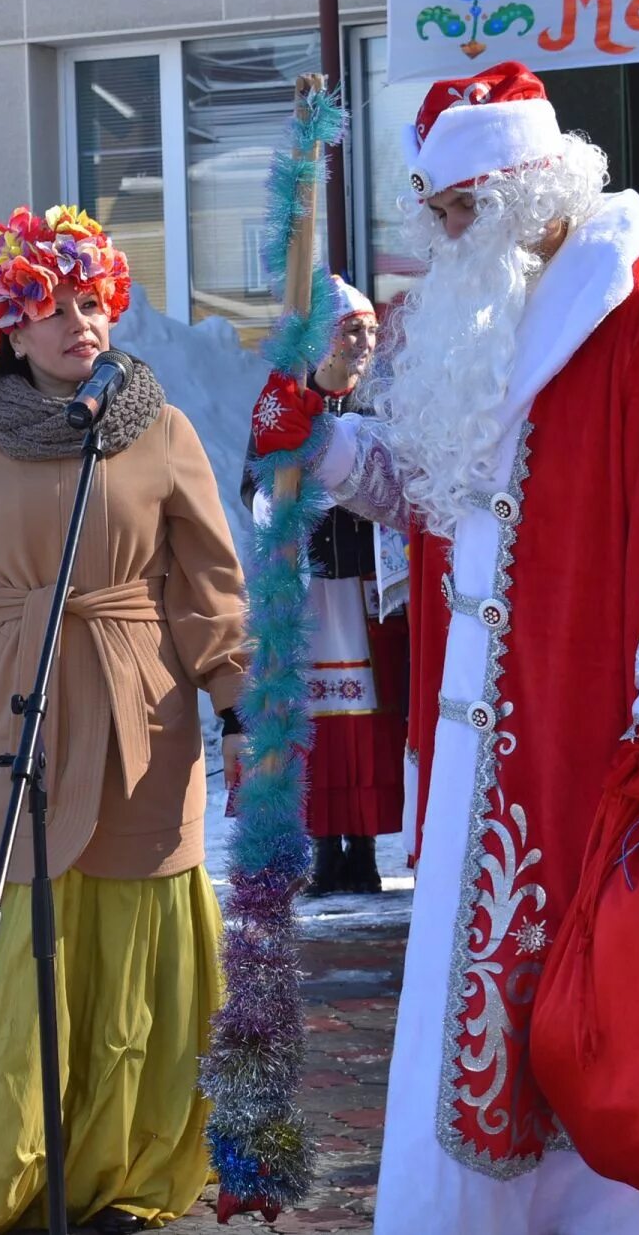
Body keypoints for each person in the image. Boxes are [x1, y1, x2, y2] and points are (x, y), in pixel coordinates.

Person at [252, 61, 639, 1234]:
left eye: (457, 214)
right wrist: (326, 441)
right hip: (474, 745)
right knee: (477, 1013)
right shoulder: (480, 324)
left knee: (607, 1013)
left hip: (592, 735)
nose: (443, 240)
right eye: (436, 216)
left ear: (523, 191)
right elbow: (432, 497)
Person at [0, 204, 248, 1234]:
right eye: (52, 307)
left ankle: (129, 1173)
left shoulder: (162, 427)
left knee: (140, 936)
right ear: (9, 323)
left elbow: (208, 584)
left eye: (92, 302)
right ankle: (10, 1164)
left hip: (146, 699)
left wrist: (233, 701)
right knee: (29, 930)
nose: (79, 323)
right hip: (22, 705)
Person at [240, 275, 408, 895]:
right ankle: (317, 848)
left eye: (369, 329)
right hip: (310, 588)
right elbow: (255, 480)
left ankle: (360, 849)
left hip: (367, 590)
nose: (363, 342)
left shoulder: (382, 408)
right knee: (312, 720)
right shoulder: (284, 404)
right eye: (349, 330)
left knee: (363, 721)